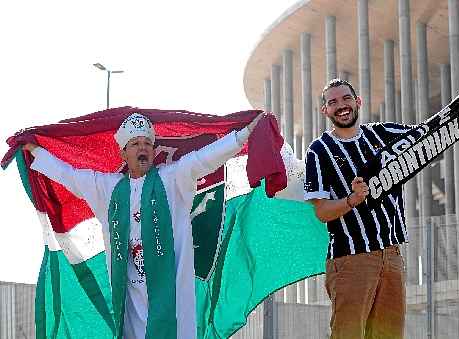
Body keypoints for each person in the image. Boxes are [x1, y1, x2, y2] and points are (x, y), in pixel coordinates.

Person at [23, 111, 264, 339]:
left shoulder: (173, 180)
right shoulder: (107, 189)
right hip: (131, 311)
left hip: (174, 311)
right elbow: (69, 175)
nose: (142, 148)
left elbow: (204, 159)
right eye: (135, 144)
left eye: (147, 143)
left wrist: (241, 136)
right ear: (123, 153)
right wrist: (35, 151)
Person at [304, 79, 410, 339]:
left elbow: (433, 133)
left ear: (358, 102)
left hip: (391, 255)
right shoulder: (318, 151)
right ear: (325, 111)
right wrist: (351, 200)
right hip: (351, 258)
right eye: (333, 102)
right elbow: (321, 212)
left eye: (346, 99)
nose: (341, 106)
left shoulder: (384, 134)